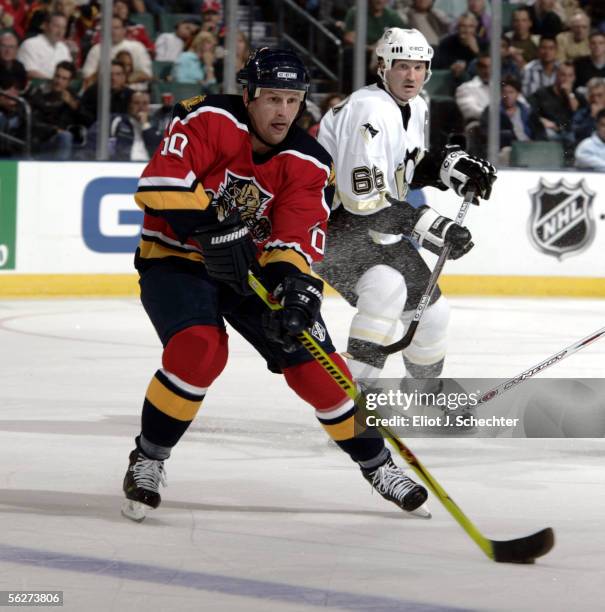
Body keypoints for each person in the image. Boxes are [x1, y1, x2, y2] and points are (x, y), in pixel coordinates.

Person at [121, 47, 431, 523]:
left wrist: (296, 289)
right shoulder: (208, 119)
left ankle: (378, 464)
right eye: (272, 98)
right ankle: (149, 456)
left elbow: (295, 238)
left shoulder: (308, 160)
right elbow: (161, 183)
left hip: (252, 272)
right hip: (177, 259)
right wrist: (211, 227)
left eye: (292, 99)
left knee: (320, 371)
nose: (283, 111)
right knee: (201, 349)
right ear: (249, 96)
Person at [315, 28, 495, 387]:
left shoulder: (416, 105)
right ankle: (353, 401)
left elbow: (407, 168)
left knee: (433, 314)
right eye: (401, 66)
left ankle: (425, 391)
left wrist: (451, 168)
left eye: (418, 66)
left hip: (377, 230)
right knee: (386, 289)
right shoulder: (366, 111)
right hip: (330, 228)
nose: (411, 75)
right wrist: (434, 228)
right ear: (383, 67)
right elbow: (362, 202)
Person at [17, 11, 71, 80]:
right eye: (56, 26)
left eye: (63, 28)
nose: (60, 32)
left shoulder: (64, 49)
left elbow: (69, 73)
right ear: (45, 26)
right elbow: (29, 72)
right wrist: (54, 83)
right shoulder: (30, 44)